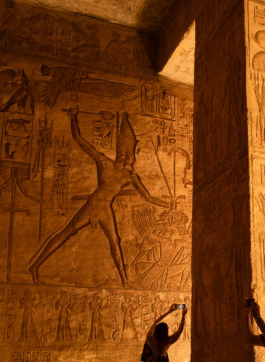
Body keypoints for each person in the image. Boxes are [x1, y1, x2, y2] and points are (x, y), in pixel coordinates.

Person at [28, 107, 171, 286]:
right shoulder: (104, 163)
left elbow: (147, 197)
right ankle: (35, 266)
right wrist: (73, 117)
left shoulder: (129, 176)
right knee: (65, 233)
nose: (128, 157)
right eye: (126, 154)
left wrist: (169, 205)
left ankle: (124, 281)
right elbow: (79, 139)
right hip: (94, 203)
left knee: (114, 241)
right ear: (122, 154)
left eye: (129, 154)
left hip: (104, 208)